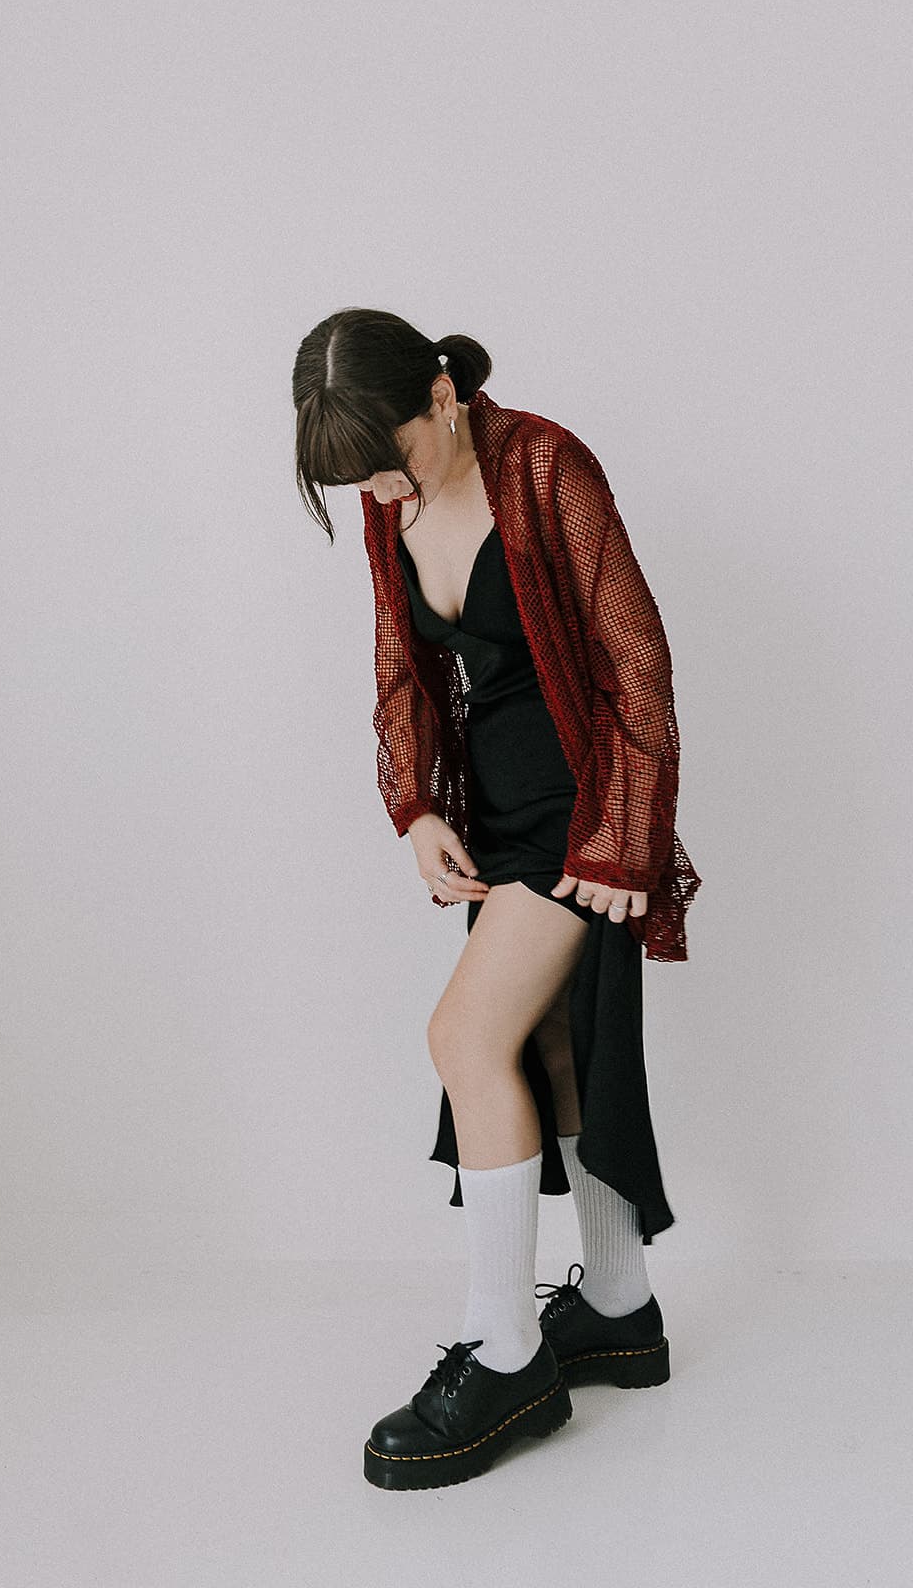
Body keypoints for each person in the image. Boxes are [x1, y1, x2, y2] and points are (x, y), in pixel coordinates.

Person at [291, 307, 702, 1491]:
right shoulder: (394, 499)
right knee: (552, 1051)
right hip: (498, 813)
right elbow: (401, 659)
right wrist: (417, 809)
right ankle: (617, 1309)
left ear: (438, 392)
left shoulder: (546, 467)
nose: (374, 488)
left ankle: (506, 1343)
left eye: (385, 456)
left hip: (581, 814)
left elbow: (636, 661)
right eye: (353, 474)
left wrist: (623, 841)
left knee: (463, 1036)